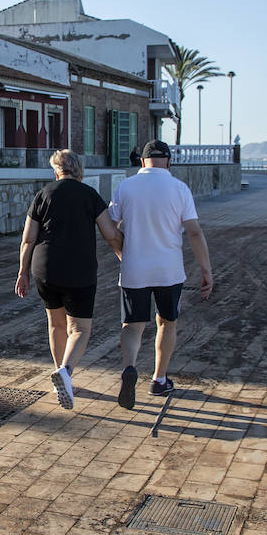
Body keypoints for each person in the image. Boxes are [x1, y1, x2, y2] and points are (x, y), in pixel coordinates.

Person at [108, 139, 214, 409]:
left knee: (132, 326)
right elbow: (194, 232)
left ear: (143, 162)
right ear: (168, 161)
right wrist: (206, 270)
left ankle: (130, 368)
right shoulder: (179, 189)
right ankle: (159, 379)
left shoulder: (126, 186)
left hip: (134, 269)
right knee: (167, 323)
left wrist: (122, 250)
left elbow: (109, 225)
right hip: (169, 271)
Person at [15, 149, 123, 409]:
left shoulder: (43, 194)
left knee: (56, 325)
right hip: (79, 271)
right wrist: (125, 254)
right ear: (80, 171)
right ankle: (65, 371)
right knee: (80, 329)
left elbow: (28, 239)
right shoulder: (90, 195)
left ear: (56, 171)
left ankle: (60, 375)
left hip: (45, 270)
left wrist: (22, 273)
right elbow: (110, 234)